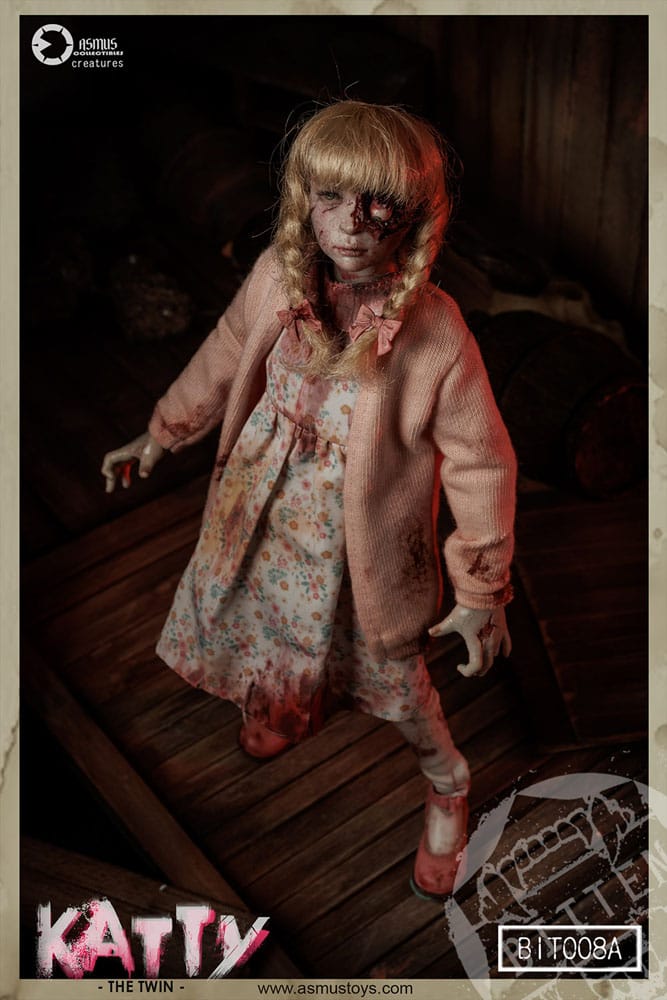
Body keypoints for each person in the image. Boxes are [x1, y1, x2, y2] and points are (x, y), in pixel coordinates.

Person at [101, 100, 517, 900]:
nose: (351, 223)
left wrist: (479, 587)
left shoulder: (434, 333)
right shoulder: (277, 277)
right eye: (331, 197)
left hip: (361, 550)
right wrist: (164, 429)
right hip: (259, 513)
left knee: (394, 680)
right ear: (304, 199)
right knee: (267, 624)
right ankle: (286, 706)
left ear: (414, 215)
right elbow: (227, 349)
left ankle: (447, 779)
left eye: (378, 203)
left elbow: (481, 462)